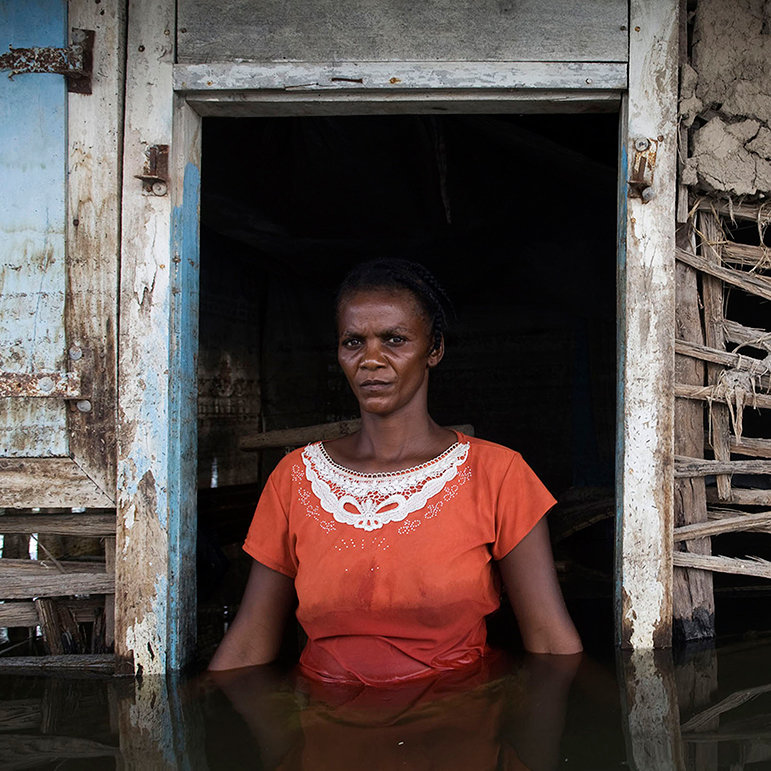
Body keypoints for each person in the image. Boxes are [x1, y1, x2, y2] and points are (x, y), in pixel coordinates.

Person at [208, 259, 582, 682]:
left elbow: (551, 643)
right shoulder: (295, 478)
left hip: (458, 720)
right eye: (353, 342)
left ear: (434, 349)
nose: (371, 359)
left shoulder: (497, 474)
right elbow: (250, 641)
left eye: (394, 339)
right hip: (325, 730)